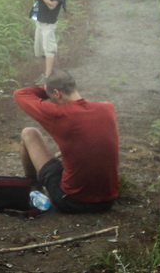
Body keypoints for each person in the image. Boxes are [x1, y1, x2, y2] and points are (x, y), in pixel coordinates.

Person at [14, 70, 119, 213]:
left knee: (29, 133)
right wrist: (59, 86)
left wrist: (46, 89)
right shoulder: (107, 108)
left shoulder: (59, 114)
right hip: (107, 201)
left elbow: (20, 94)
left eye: (52, 97)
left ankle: (32, 186)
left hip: (71, 201)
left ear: (56, 94)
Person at [29, 0, 66, 84]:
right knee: (40, 50)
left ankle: (48, 78)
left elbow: (52, 6)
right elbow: (36, 2)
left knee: (49, 49)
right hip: (40, 22)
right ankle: (45, 73)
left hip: (49, 24)